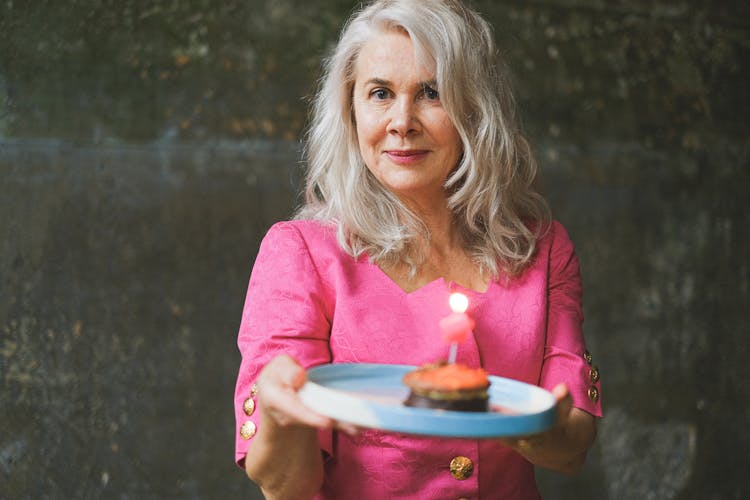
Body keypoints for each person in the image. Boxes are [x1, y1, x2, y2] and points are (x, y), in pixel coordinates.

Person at [233, 0, 602, 498]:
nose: (402, 121)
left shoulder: (544, 249)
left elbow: (572, 448)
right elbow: (285, 486)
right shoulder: (300, 254)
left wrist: (522, 424)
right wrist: (282, 415)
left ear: (475, 109)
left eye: (431, 93)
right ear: (351, 110)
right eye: (380, 93)